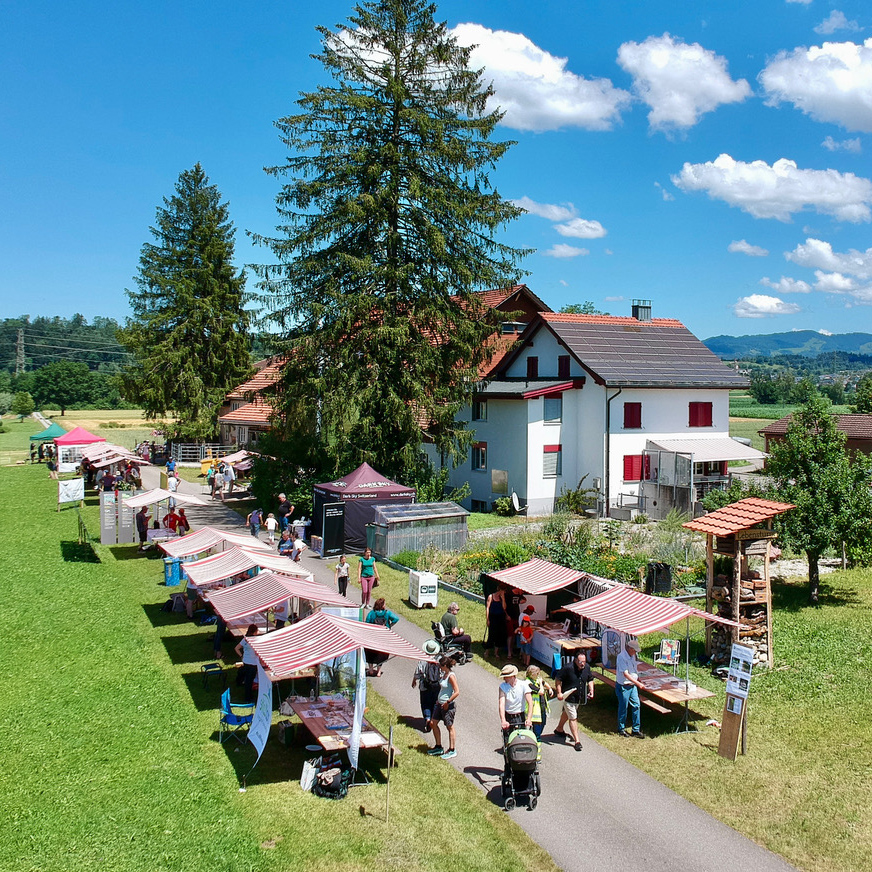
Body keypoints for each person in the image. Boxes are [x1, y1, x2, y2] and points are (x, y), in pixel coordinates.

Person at [554, 651, 595, 752]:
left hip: (578, 698)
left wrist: (591, 690)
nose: (582, 664)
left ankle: (559, 729)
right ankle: (577, 741)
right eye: (580, 662)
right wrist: (559, 693)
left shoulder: (587, 667)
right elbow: (558, 680)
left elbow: (590, 679)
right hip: (568, 698)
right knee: (573, 717)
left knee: (567, 714)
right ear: (575, 660)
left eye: (584, 661)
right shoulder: (567, 668)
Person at [428, 656, 459, 759]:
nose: (439, 668)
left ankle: (452, 749)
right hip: (439, 704)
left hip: (448, 706)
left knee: (449, 727)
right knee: (433, 723)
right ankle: (438, 746)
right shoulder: (444, 675)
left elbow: (457, 691)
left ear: (445, 666)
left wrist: (447, 702)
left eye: (440, 666)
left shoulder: (451, 676)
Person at [615, 638, 645, 739]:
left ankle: (636, 729)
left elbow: (633, 670)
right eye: (634, 650)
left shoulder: (632, 656)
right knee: (623, 707)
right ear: (630, 648)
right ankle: (621, 728)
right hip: (624, 686)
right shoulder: (621, 657)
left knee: (637, 705)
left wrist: (638, 679)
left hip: (632, 686)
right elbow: (625, 674)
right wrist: (638, 683)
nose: (635, 652)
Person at [364, 597, 400, 676]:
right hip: (383, 636)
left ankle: (370, 669)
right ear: (382, 605)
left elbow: (367, 623)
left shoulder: (372, 613)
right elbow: (396, 618)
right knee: (381, 654)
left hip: (373, 636)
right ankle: (379, 671)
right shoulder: (387, 613)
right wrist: (390, 625)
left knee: (370, 653)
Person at [412, 639, 442, 732]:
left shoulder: (423, 659)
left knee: (425, 704)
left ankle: (427, 719)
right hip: (437, 686)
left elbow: (418, 672)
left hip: (424, 686)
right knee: (434, 703)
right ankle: (433, 719)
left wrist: (414, 680)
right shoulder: (439, 659)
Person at [525, 665, 554, 755]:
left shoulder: (537, 680)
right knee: (536, 733)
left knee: (542, 725)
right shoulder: (528, 683)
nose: (538, 675)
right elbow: (540, 691)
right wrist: (541, 684)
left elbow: (545, 683)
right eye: (537, 673)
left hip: (541, 710)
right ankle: (534, 752)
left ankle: (534, 746)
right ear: (532, 674)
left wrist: (549, 689)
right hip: (533, 712)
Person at [498, 664, 533, 737]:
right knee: (508, 738)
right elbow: (501, 704)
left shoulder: (523, 685)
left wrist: (529, 719)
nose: (504, 679)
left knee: (521, 738)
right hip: (508, 716)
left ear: (512, 676)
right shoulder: (502, 687)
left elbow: (530, 702)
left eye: (506, 677)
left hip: (520, 716)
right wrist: (503, 720)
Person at [235, 624, 259, 703]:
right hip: (253, 663)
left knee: (248, 680)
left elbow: (236, 648)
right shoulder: (255, 640)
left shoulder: (245, 639)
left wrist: (241, 655)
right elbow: (257, 652)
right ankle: (248, 698)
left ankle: (248, 695)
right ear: (254, 632)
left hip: (246, 661)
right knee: (250, 681)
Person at [483, 586, 508, 659]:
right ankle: (487, 651)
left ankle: (496, 652)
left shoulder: (502, 598)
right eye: (504, 591)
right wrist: (487, 619)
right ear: (500, 590)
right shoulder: (491, 596)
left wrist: (503, 598)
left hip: (500, 618)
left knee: (499, 635)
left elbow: (504, 608)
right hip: (493, 617)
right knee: (491, 634)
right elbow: (487, 608)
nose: (504, 592)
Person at [505, 587, 527, 658]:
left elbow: (525, 600)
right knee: (510, 635)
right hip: (510, 616)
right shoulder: (508, 594)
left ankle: (511, 651)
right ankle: (508, 652)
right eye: (522, 590)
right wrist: (506, 615)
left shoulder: (519, 595)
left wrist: (519, 601)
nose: (522, 592)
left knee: (514, 634)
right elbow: (504, 605)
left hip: (516, 616)